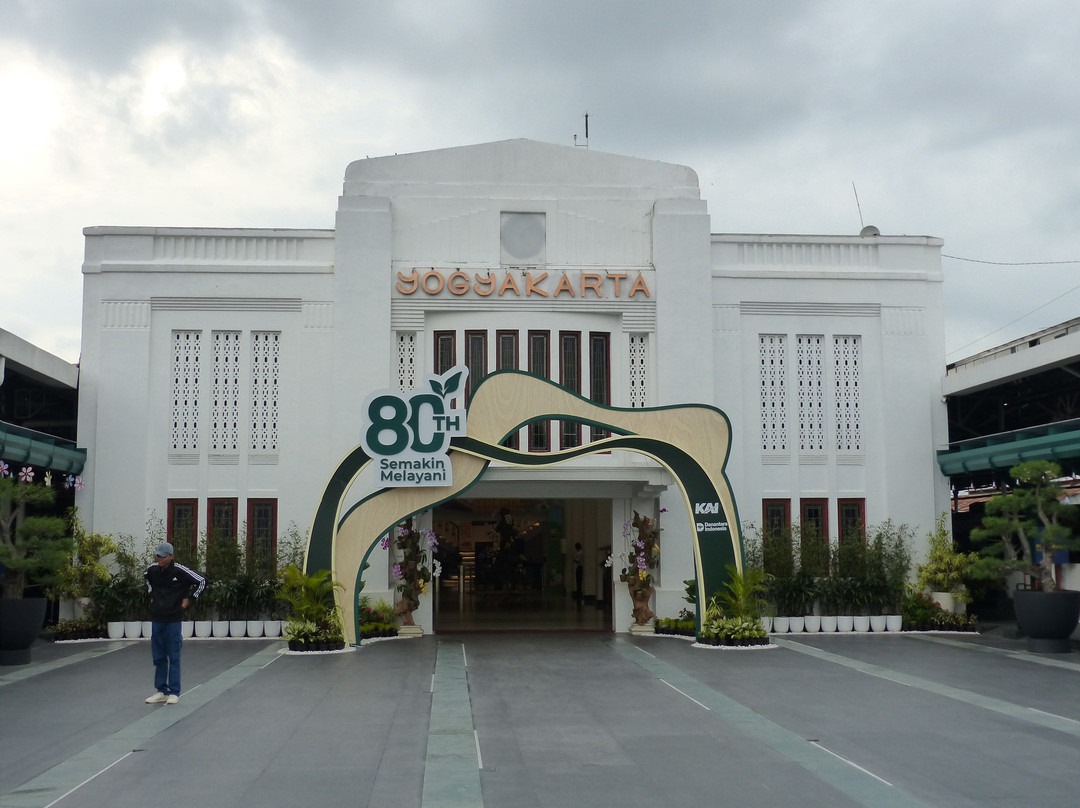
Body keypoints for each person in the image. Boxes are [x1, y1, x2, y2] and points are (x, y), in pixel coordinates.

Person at [144, 541, 206, 705]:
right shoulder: (152, 570)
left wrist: (189, 599)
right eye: (158, 556)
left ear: (171, 556)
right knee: (159, 655)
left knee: (174, 654)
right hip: (157, 618)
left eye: (163, 557)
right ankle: (161, 690)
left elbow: (202, 581)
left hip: (173, 619)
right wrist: (151, 595)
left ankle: (174, 691)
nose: (160, 559)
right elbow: (147, 579)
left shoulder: (180, 571)